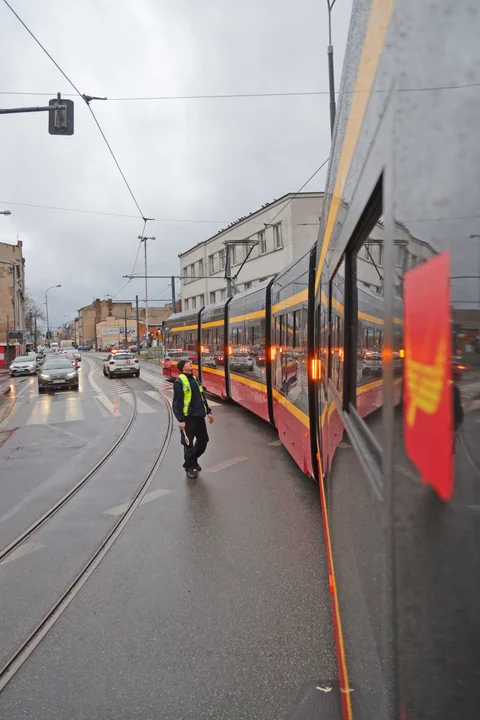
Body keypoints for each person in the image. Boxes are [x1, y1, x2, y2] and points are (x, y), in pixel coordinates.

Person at [172, 359, 214, 478]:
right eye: (187, 363)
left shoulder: (195, 379)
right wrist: (181, 420)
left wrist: (209, 412)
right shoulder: (179, 381)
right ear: (183, 368)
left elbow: (202, 398)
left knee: (203, 441)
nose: (190, 363)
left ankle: (193, 460)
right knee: (188, 445)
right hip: (188, 418)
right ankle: (189, 467)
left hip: (200, 416)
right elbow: (177, 403)